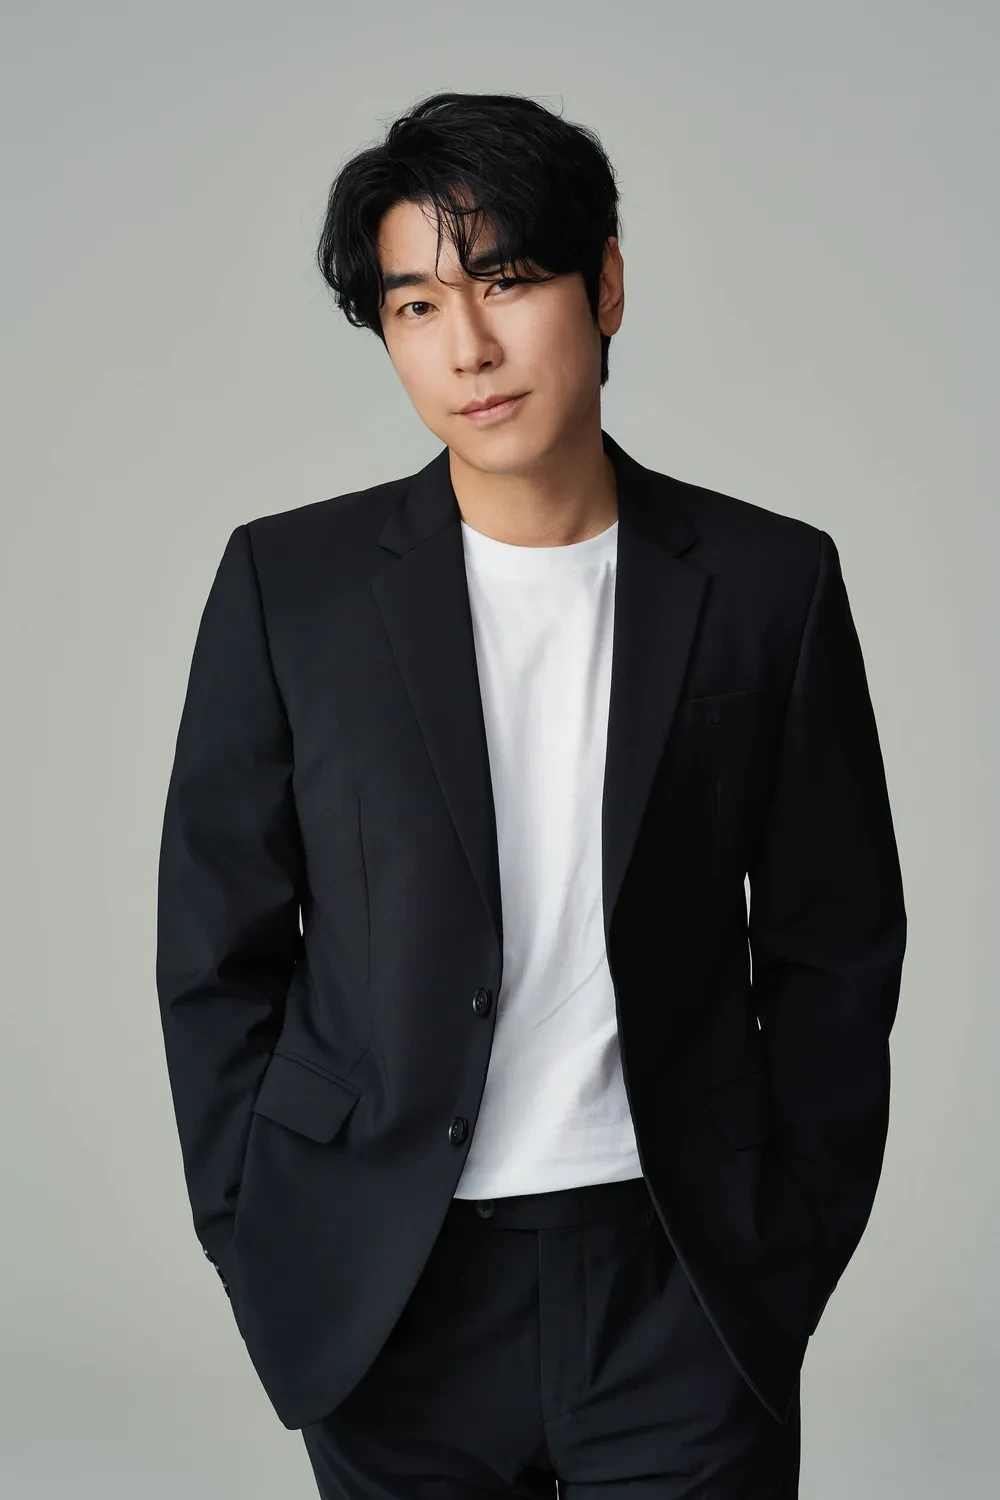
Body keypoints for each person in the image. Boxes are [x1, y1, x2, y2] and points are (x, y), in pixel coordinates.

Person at [156, 90, 907, 1498]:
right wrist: (260, 1232)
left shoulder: (769, 584)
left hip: (678, 1279)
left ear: (604, 285)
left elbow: (836, 942)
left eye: (504, 282)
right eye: (417, 306)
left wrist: (789, 1236)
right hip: (390, 1287)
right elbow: (216, 948)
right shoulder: (290, 588)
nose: (470, 347)